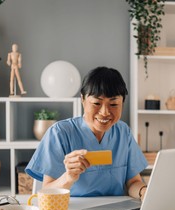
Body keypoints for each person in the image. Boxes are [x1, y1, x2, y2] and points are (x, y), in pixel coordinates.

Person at [25, 66, 148, 200]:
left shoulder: (123, 132)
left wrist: (144, 192)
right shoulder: (60, 133)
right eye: (96, 103)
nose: (105, 112)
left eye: (113, 104)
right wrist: (68, 177)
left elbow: (133, 182)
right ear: (83, 100)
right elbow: (46, 191)